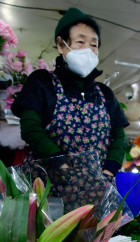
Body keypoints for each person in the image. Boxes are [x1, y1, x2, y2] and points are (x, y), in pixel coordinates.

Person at [11, 7, 129, 212]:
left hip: (95, 191)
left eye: (94, 45)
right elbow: (31, 128)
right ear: (61, 44)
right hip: (50, 188)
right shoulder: (42, 82)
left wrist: (110, 168)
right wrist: (61, 162)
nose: (89, 50)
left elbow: (118, 134)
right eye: (80, 42)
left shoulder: (105, 93)